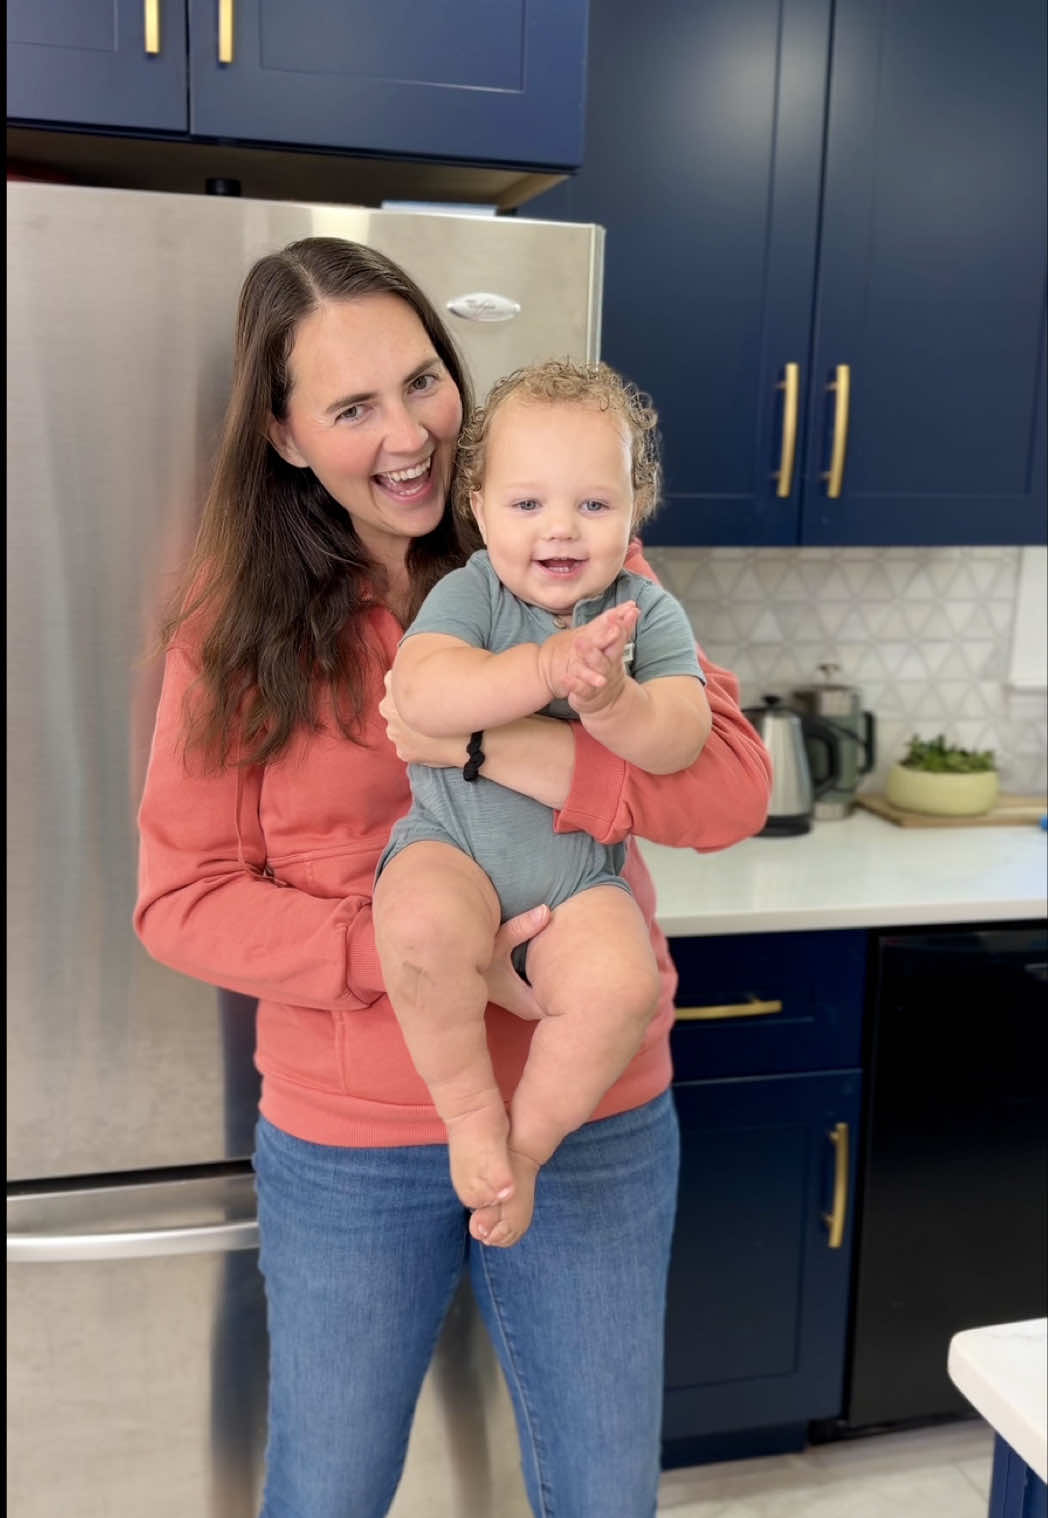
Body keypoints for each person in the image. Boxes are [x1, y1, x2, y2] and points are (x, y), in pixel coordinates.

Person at [134, 235, 772, 1518]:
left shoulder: (567, 554)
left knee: (602, 1493)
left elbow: (728, 794)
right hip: (350, 1135)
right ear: (283, 433)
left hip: (588, 1117)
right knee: (328, 1489)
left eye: (422, 381)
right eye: (353, 407)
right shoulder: (231, 625)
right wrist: (430, 959)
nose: (409, 433)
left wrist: (503, 746)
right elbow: (181, 900)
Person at [373, 359, 712, 1249]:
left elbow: (682, 737)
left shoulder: (646, 612)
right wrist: (546, 670)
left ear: (634, 509)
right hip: (450, 845)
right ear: (478, 509)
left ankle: (523, 1150)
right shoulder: (470, 592)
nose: (560, 529)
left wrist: (614, 702)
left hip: (576, 877)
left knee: (621, 988)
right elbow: (424, 697)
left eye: (593, 506)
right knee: (417, 931)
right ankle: (470, 1111)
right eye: (527, 505)